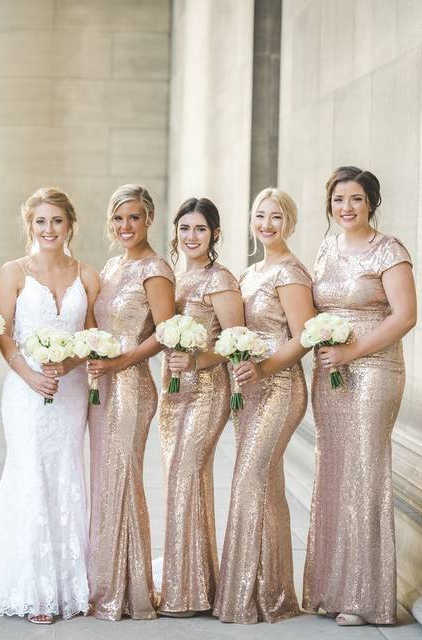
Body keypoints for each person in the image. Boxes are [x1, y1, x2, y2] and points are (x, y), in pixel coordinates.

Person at [0, 187, 101, 624]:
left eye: (57, 221)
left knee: (65, 471)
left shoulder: (87, 275)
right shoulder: (13, 272)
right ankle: (32, 588)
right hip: (25, 389)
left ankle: (67, 582)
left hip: (70, 390)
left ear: (70, 225)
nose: (49, 229)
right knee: (28, 471)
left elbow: (91, 336)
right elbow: (3, 332)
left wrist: (68, 363)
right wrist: (28, 374)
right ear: (30, 226)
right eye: (40, 222)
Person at [302, 166, 417, 626]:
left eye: (355, 199)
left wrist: (352, 351)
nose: (346, 208)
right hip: (330, 374)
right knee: (333, 468)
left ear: (371, 203)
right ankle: (331, 588)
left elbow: (406, 315)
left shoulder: (390, 251)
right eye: (338, 200)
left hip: (374, 370)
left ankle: (365, 597)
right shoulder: (325, 249)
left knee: (365, 470)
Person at [214, 188, 315, 623]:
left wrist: (265, 368)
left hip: (279, 387)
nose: (267, 224)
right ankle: (270, 592)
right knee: (265, 483)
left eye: (276, 217)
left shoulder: (290, 273)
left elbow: (304, 336)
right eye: (260, 215)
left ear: (289, 223)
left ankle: (253, 594)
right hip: (248, 389)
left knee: (251, 477)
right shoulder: (252, 272)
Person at [85, 184, 175, 620]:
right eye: (119, 218)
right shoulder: (112, 265)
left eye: (134, 217)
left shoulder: (155, 269)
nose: (126, 226)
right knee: (106, 480)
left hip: (132, 385)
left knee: (123, 478)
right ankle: (106, 578)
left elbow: (164, 332)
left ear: (149, 220)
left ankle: (130, 590)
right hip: (101, 385)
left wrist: (121, 360)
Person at [157, 197, 243, 617]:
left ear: (215, 235)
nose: (192, 237)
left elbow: (232, 343)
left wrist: (195, 360)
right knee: (179, 478)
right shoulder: (171, 277)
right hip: (172, 391)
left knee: (185, 474)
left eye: (200, 230)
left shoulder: (219, 279)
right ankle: (191, 582)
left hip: (207, 389)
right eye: (185, 228)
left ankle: (186, 592)